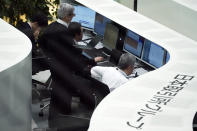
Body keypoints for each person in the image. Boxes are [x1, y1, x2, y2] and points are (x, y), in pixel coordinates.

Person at [39, 3, 106, 115]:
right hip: (64, 71)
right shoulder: (64, 33)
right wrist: (91, 63)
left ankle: (54, 122)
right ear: (67, 16)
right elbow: (73, 58)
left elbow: (41, 43)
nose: (74, 16)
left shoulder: (51, 27)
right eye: (72, 14)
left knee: (57, 96)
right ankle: (64, 122)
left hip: (54, 68)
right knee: (66, 98)